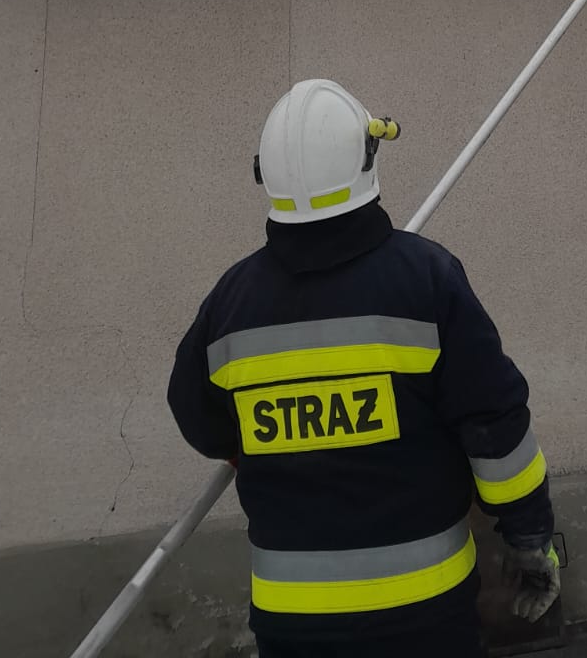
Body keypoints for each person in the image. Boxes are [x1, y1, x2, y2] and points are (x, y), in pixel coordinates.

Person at [167, 78, 558, 658]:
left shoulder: (230, 304)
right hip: (425, 615)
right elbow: (495, 430)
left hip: (292, 622)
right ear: (367, 157)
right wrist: (529, 537)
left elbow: (198, 418)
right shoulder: (426, 281)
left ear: (266, 176)